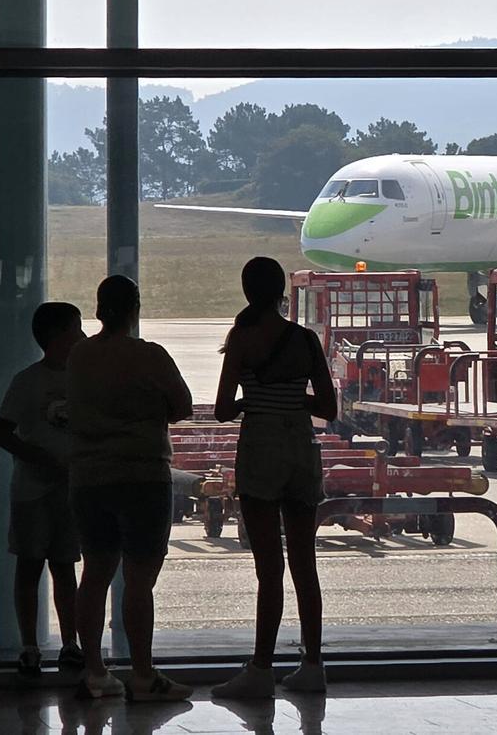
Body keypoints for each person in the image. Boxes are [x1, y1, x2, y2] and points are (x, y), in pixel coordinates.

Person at [211, 257, 337, 699]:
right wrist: (294, 403)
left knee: (269, 568)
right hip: (301, 451)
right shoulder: (304, 340)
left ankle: (261, 666)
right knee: (306, 565)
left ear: (247, 291)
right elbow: (328, 408)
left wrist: (253, 403)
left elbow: (224, 407)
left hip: (260, 449)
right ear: (281, 291)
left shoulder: (242, 339)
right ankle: (313, 664)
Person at [67, 275, 194, 701]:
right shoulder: (150, 356)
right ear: (135, 308)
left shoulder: (79, 356)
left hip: (89, 478)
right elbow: (183, 407)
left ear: (99, 308)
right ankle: (142, 674)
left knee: (95, 574)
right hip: (143, 477)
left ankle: (96, 672)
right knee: (139, 581)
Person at [0, 302, 86, 676]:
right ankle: (29, 644)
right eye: (75, 329)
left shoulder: (83, 379)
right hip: (33, 490)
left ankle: (69, 643)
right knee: (31, 566)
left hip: (68, 489)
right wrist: (37, 456)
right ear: (57, 336)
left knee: (65, 566)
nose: (81, 336)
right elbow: (0, 430)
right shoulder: (27, 381)